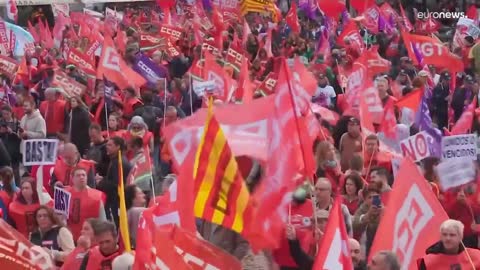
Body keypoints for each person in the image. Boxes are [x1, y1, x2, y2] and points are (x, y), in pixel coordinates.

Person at [96, 137, 131, 227]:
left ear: (118, 147)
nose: (107, 147)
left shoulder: (118, 163)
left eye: (110, 145)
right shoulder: (117, 160)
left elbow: (116, 185)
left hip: (115, 203)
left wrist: (101, 182)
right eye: (107, 144)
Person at [64, 167, 106, 241]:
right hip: (70, 238)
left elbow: (102, 220)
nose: (81, 177)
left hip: (91, 239)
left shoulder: (96, 196)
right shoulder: (64, 195)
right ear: (72, 178)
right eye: (78, 175)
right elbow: (59, 219)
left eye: (84, 175)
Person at [353, 184, 383, 256]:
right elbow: (355, 225)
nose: (373, 200)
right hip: (364, 247)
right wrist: (368, 215)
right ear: (365, 199)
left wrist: (383, 214)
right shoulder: (361, 210)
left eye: (375, 197)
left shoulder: (385, 209)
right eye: (370, 197)